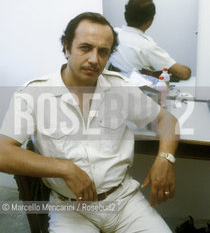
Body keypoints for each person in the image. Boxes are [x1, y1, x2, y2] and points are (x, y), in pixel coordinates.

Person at [0, 12, 179, 233]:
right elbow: (3, 153)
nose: (94, 59)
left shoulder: (120, 89)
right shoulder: (34, 93)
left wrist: (165, 158)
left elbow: (166, 119)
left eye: (103, 52)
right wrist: (65, 169)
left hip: (124, 202)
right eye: (85, 48)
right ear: (67, 48)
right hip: (71, 208)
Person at [109, 0, 191, 80]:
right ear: (149, 22)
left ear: (126, 15)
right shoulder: (147, 46)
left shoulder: (113, 33)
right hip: (138, 90)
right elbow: (184, 73)